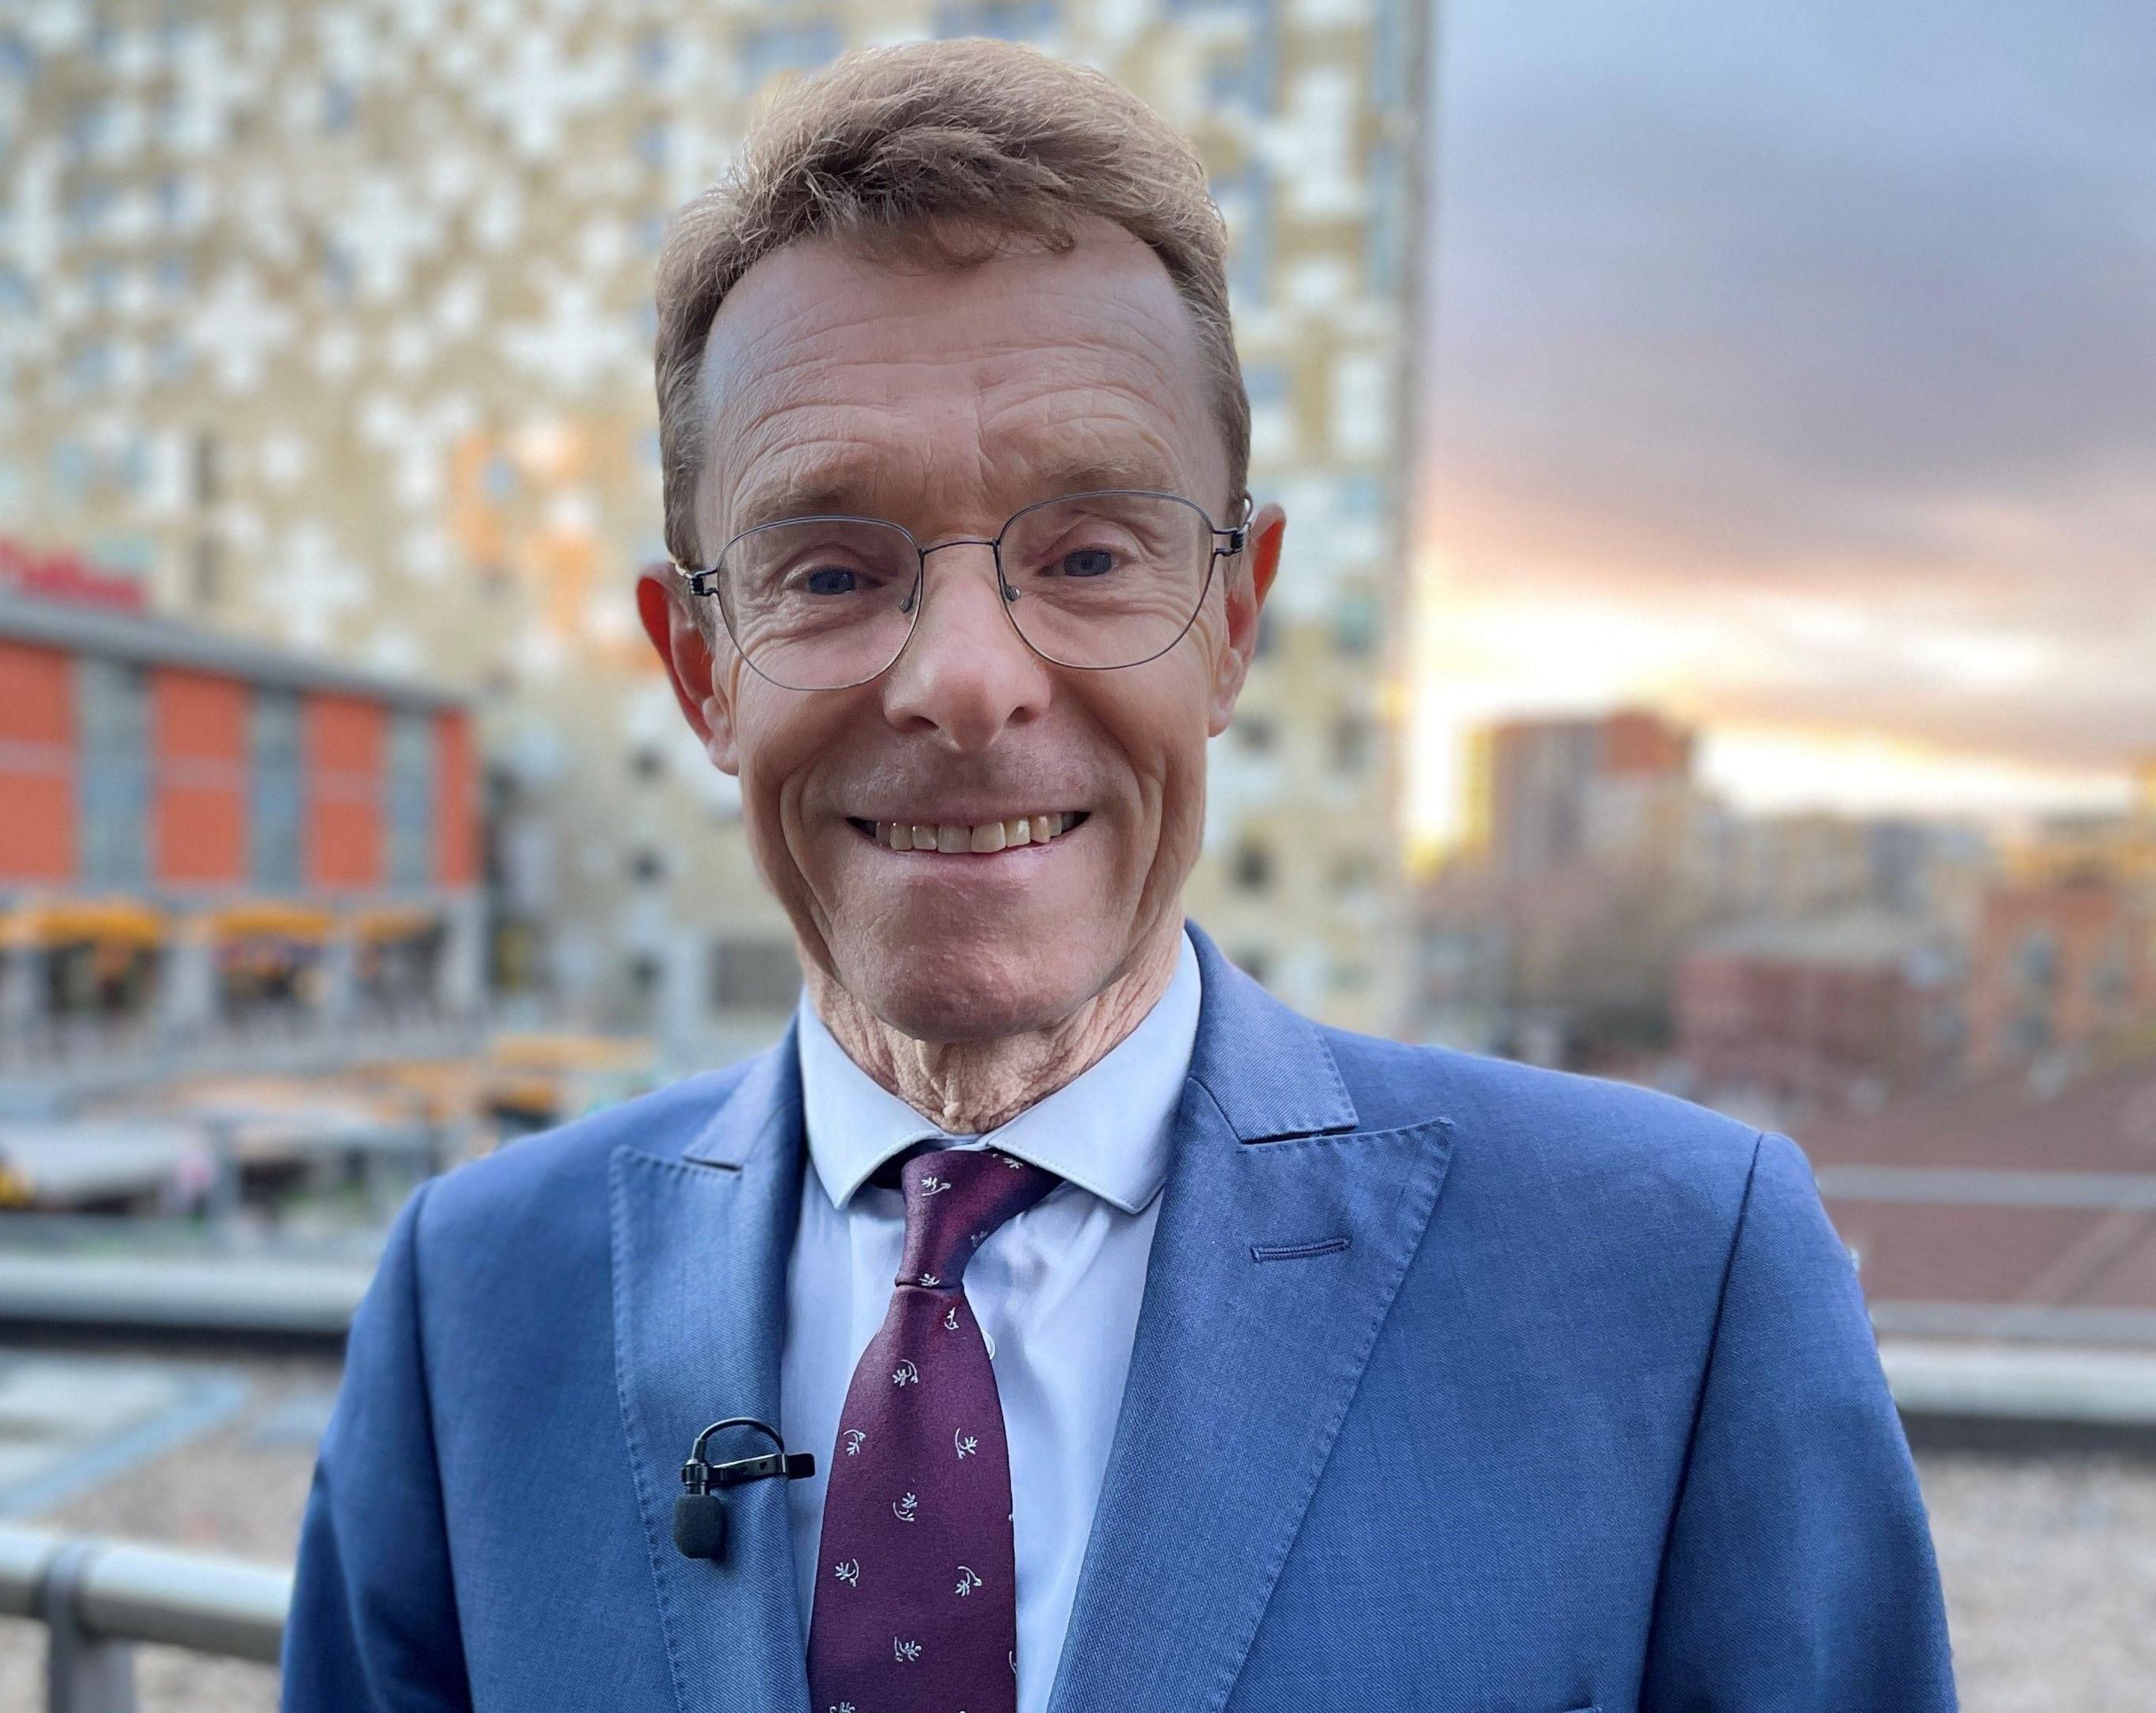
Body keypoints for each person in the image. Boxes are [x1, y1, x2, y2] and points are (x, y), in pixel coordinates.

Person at [285, 39, 1953, 1713]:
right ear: (702, 664)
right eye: (834, 569)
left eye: (1086, 557)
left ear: (1232, 621)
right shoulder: (473, 1308)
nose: (964, 678)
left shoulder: (1674, 1278)